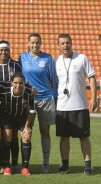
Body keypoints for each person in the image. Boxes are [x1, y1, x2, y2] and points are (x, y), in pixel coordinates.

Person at [55, 34, 97, 176]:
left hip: (80, 106)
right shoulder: (56, 62)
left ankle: (88, 166)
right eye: (62, 43)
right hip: (62, 107)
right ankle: (65, 165)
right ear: (58, 45)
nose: (65, 45)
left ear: (71, 43)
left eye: (67, 43)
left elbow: (91, 77)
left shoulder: (82, 58)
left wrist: (94, 98)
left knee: (83, 137)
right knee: (63, 137)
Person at [19, 33, 56, 174]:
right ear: (28, 43)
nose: (35, 45)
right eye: (32, 42)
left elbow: (53, 80)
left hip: (45, 99)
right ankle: (25, 165)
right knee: (26, 131)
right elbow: (19, 78)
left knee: (45, 131)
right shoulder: (22, 58)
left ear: (41, 43)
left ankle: (45, 164)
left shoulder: (48, 58)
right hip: (28, 100)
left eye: (37, 42)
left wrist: (54, 97)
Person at [0, 40, 22, 173]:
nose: (3, 52)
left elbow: (21, 82)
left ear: (9, 51)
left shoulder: (16, 65)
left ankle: (13, 163)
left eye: (6, 50)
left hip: (12, 107)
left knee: (12, 135)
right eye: (1, 50)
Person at [0, 72, 35, 176]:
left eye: (21, 83)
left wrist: (27, 127)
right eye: (16, 83)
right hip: (8, 117)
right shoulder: (4, 92)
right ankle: (6, 166)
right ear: (11, 83)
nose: (18, 85)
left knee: (26, 136)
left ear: (24, 83)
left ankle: (25, 168)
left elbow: (32, 111)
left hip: (23, 118)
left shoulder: (29, 92)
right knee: (7, 135)